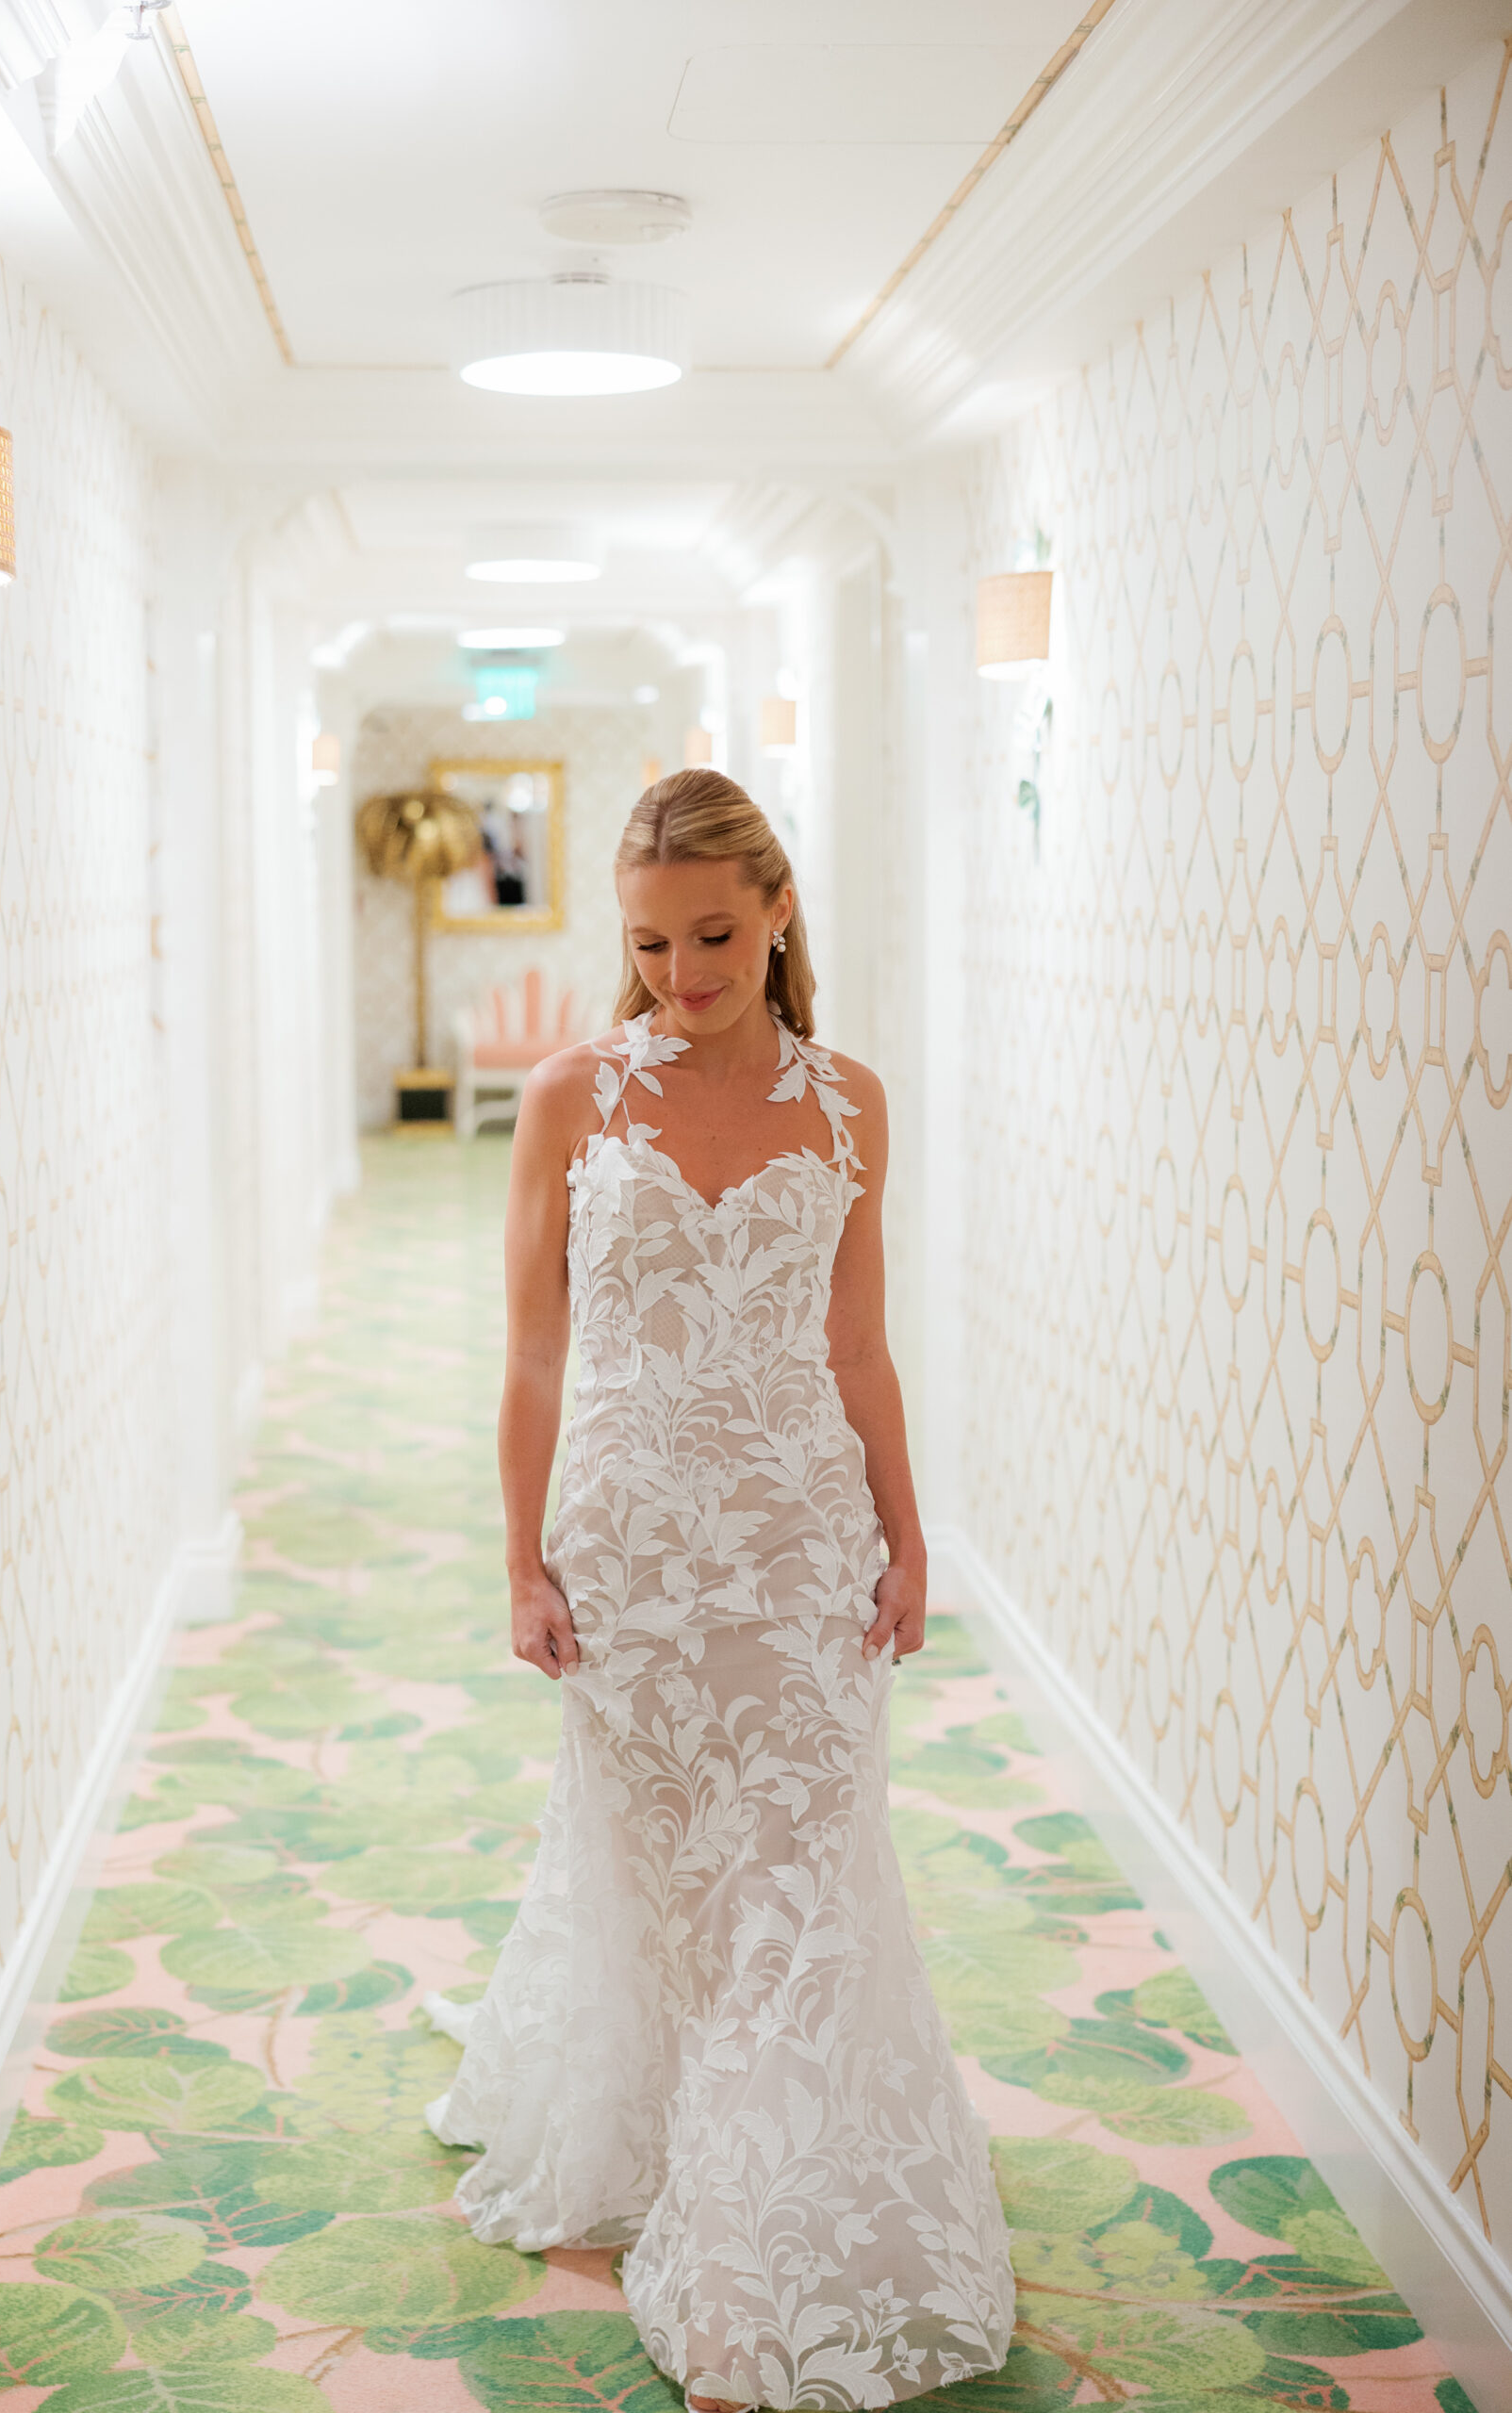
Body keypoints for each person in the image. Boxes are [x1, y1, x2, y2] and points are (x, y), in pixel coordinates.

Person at [424, 769, 1014, 2411]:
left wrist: (909, 1533)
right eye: (650, 942)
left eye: (713, 936)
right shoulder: (570, 1098)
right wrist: (521, 1557)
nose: (682, 974)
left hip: (795, 1549)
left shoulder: (849, 1106)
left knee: (804, 1888)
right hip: (632, 1562)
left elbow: (858, 1346)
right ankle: (674, 2128)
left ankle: (746, 2272)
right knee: (673, 1885)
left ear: (776, 916)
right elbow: (537, 1352)